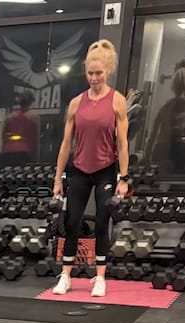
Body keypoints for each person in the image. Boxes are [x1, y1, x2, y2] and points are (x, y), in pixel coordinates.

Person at [52, 39, 129, 299]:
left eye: (99, 73)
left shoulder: (117, 101)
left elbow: (122, 143)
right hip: (79, 169)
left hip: (105, 169)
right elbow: (66, 144)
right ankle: (66, 276)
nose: (94, 78)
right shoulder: (76, 103)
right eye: (90, 73)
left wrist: (124, 178)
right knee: (72, 221)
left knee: (101, 223)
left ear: (108, 71)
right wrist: (57, 179)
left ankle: (100, 278)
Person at [144, 68, 185, 173]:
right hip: (177, 156)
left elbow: (153, 135)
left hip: (161, 152)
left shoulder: (166, 106)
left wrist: (146, 159)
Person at [2, 91, 39, 166]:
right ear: (30, 102)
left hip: (8, 151)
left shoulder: (10, 117)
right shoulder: (34, 118)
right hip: (25, 152)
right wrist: (37, 158)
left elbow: (3, 137)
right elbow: (37, 139)